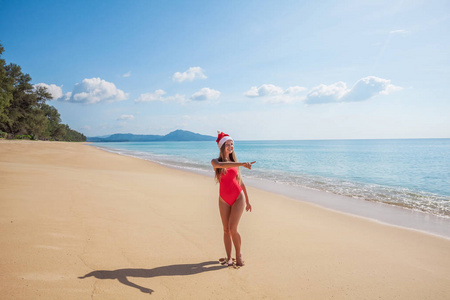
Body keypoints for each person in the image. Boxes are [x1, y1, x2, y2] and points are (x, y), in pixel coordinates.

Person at [211, 131, 255, 267]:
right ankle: (229, 258)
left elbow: (240, 182)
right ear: (222, 146)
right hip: (223, 199)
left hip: (238, 198)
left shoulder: (235, 163)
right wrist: (241, 164)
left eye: (232, 144)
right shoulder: (215, 162)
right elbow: (222, 166)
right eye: (228, 144)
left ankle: (238, 254)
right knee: (225, 229)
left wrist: (247, 200)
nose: (231, 146)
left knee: (233, 228)